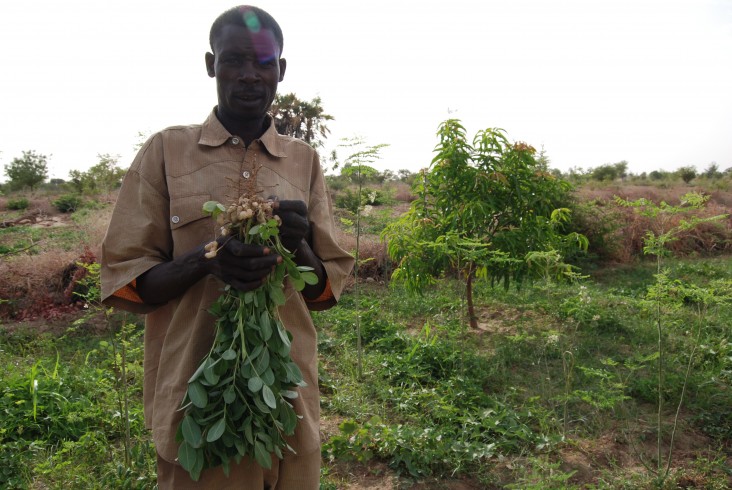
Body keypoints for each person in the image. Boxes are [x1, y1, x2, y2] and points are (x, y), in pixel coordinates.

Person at [101, 5, 354, 489]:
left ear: (280, 70)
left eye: (263, 63)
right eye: (233, 59)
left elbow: (323, 292)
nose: (249, 75)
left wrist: (297, 246)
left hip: (288, 401)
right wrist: (208, 260)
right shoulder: (166, 151)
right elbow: (126, 282)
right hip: (199, 407)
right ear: (210, 64)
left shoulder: (304, 161)